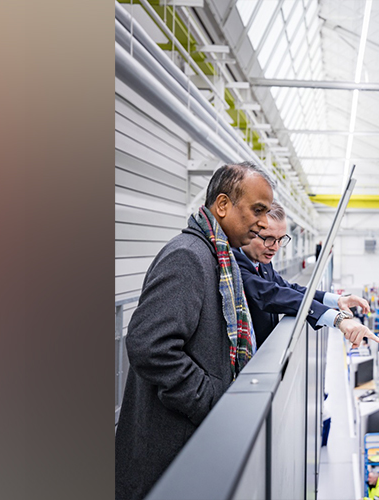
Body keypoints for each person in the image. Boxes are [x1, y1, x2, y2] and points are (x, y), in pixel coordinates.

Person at [116, 162, 274, 500]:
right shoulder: (189, 257)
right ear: (222, 205)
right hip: (166, 448)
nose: (264, 222)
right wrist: (210, 397)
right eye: (257, 210)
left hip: (185, 441)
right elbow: (148, 345)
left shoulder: (218, 258)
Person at [233, 202, 376, 348]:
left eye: (280, 239)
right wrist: (338, 319)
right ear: (248, 231)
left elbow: (286, 287)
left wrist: (337, 300)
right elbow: (270, 294)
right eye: (268, 238)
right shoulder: (234, 263)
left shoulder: (261, 260)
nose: (275, 247)